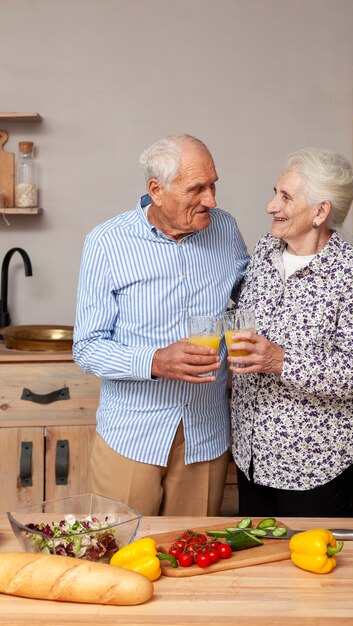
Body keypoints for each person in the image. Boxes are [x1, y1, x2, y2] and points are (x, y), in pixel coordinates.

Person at [73, 134, 249, 516]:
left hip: (206, 433)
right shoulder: (107, 242)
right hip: (132, 435)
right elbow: (87, 347)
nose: (211, 200)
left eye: (213, 184)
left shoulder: (226, 230)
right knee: (118, 556)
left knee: (195, 559)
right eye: (197, 188)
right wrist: (155, 361)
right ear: (157, 190)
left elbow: (254, 301)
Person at [227, 147, 353, 518]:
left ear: (320, 211)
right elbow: (240, 316)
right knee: (262, 572)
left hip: (316, 468)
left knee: (315, 575)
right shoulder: (264, 251)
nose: (270, 205)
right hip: (252, 457)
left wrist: (280, 359)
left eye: (285, 196)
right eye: (275, 192)